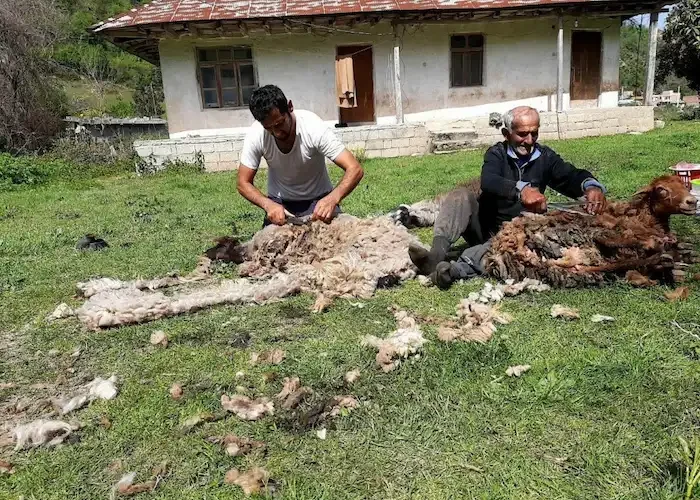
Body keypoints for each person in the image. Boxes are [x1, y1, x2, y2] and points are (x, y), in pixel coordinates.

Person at [408, 105, 608, 289]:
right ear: (507, 133)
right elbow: (489, 180)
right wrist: (521, 190)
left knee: (506, 245)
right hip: (484, 225)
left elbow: (570, 175)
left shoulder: (545, 157)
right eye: (522, 134)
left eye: (534, 133)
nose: (529, 141)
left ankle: (454, 271)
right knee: (460, 196)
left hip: (517, 235)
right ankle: (435, 255)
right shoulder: (496, 154)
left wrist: (590, 186)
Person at [237, 85, 364, 227]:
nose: (276, 132)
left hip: (318, 202)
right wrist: (268, 205)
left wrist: (332, 198)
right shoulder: (257, 134)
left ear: (290, 107)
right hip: (280, 205)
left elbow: (355, 168)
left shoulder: (312, 127)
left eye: (279, 124)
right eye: (269, 128)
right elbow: (243, 182)